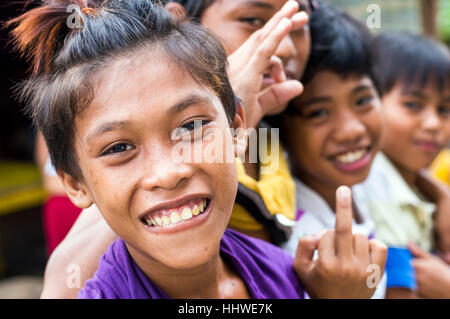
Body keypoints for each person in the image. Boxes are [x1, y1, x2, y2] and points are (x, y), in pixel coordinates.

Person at [10, 0, 386, 299]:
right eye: (119, 147)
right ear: (75, 183)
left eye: (191, 126)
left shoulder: (278, 271)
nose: (169, 171)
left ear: (239, 127)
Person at [277, 5, 386, 298]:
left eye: (363, 100)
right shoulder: (296, 244)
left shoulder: (372, 180)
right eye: (319, 113)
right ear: (281, 127)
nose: (351, 130)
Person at [361, 32, 450, 298]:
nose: (433, 124)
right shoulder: (373, 186)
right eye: (413, 105)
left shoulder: (418, 183)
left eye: (444, 109)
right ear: (371, 102)